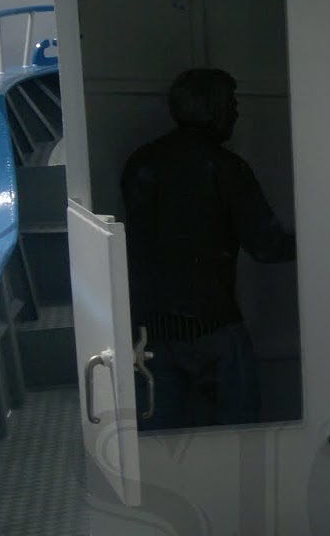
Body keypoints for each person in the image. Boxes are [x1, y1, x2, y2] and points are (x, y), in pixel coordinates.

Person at [121, 68, 296, 430]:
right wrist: (323, 237)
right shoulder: (227, 168)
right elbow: (266, 247)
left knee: (161, 438)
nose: (236, 113)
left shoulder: (140, 162)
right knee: (238, 431)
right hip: (214, 325)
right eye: (231, 104)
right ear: (214, 110)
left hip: (152, 329)